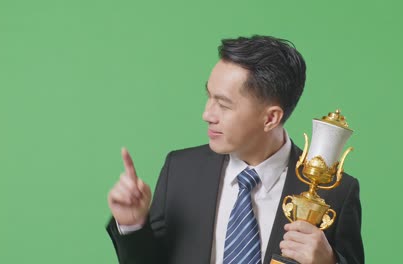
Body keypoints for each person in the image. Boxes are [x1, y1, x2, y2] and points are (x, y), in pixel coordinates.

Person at [106, 35, 364, 264]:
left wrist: (328, 263)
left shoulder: (336, 192)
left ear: (270, 118)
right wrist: (132, 224)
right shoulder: (180, 170)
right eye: (209, 96)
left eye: (224, 104)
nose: (207, 114)